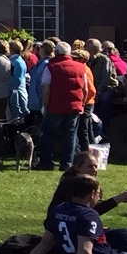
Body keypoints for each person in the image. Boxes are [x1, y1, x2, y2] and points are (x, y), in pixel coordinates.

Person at [0, 173, 127, 254]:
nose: (99, 198)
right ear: (92, 194)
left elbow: (43, 245)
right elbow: (84, 251)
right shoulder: (88, 215)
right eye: (99, 195)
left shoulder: (59, 210)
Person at [38, 43, 91, 171]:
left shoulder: (51, 66)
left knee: (48, 134)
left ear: (56, 52)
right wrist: (82, 103)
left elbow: (46, 89)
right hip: (74, 106)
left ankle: (46, 162)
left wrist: (44, 105)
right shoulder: (81, 67)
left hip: (55, 105)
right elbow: (85, 89)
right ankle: (67, 163)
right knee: (71, 135)